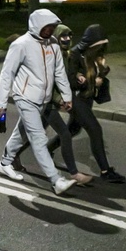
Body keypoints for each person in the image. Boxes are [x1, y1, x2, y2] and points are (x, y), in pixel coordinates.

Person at [0, 9, 90, 195]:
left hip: (44, 99)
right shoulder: (21, 44)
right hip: (25, 97)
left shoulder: (53, 44)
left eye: (52, 27)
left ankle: (5, 163)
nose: (49, 30)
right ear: (37, 25)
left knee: (21, 133)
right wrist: (1, 103)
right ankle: (56, 180)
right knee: (38, 137)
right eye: (47, 27)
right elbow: (7, 74)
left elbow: (59, 72)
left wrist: (66, 97)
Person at [12, 25, 91, 184]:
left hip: (49, 101)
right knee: (65, 134)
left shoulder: (63, 54)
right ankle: (74, 174)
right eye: (63, 37)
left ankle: (12, 156)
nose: (67, 39)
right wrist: (59, 99)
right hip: (44, 101)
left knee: (32, 132)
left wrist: (78, 76)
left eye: (69, 36)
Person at [66, 24, 125, 183]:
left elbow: (98, 79)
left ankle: (44, 150)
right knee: (95, 130)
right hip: (76, 99)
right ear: (91, 44)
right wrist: (92, 81)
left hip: (87, 100)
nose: (101, 49)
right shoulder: (75, 55)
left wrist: (103, 70)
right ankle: (106, 171)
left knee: (71, 130)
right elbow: (72, 82)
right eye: (99, 46)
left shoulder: (93, 56)